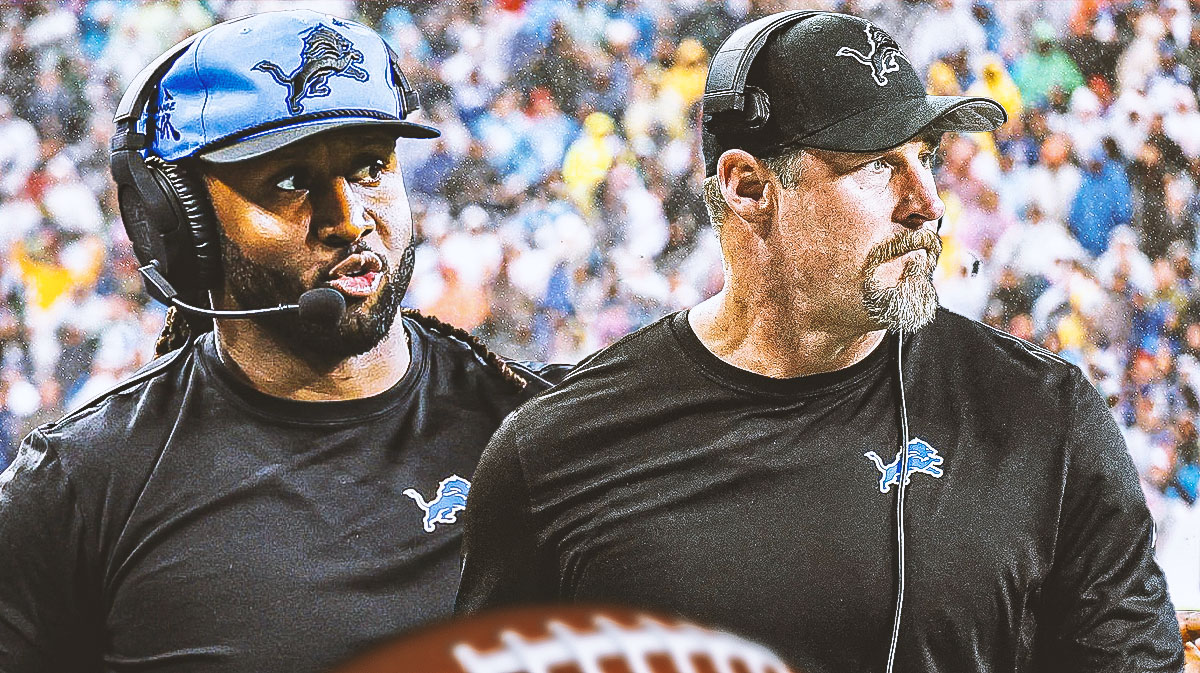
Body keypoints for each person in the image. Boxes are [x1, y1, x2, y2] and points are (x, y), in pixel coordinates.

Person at [456, 11, 1184, 673]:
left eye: (924, 155)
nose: (927, 202)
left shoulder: (1043, 417)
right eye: (876, 164)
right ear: (747, 188)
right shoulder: (554, 453)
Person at [0, 10, 565, 673]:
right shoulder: (80, 489)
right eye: (290, 182)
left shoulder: (552, 429)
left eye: (370, 165)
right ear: (181, 226)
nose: (350, 218)